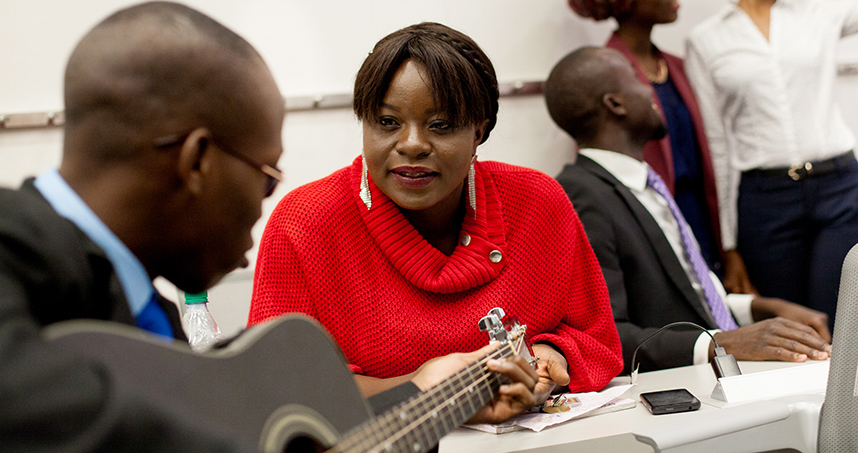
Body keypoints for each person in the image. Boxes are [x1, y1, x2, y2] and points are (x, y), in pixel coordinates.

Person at [0, 4, 537, 452]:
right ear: (197, 163)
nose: (265, 212)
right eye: (265, 179)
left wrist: (428, 394)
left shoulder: (139, 314)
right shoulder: (14, 247)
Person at [249, 22, 623, 403]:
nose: (412, 145)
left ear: (479, 131)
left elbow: (596, 338)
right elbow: (277, 389)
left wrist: (545, 358)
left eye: (440, 125)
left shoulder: (538, 202)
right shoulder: (304, 223)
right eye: (387, 122)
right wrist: (430, 394)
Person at [547, 46, 832, 373]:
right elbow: (604, 337)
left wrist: (759, 308)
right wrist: (722, 343)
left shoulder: (647, 183)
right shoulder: (579, 197)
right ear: (615, 104)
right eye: (635, 77)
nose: (650, 90)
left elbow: (683, 297)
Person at [685, 0, 858, 330]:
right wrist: (729, 245)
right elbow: (715, 144)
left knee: (841, 317)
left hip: (838, 188)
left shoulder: (820, 12)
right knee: (790, 326)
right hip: (766, 201)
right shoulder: (706, 39)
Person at [566, 0, 757, 295]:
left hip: (703, 223)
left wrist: (729, 248)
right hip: (654, 233)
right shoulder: (602, 76)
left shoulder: (679, 66)